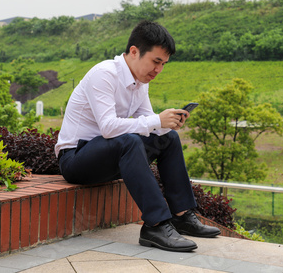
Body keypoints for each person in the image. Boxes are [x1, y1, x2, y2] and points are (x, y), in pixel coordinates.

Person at [55, 20, 220, 252]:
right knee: (129, 140)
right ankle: (156, 224)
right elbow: (109, 128)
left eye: (163, 64)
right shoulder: (103, 74)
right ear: (134, 52)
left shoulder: (140, 82)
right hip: (76, 159)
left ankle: (181, 214)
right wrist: (156, 121)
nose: (158, 70)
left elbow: (148, 123)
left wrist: (168, 124)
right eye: (156, 61)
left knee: (168, 138)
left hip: (109, 157)